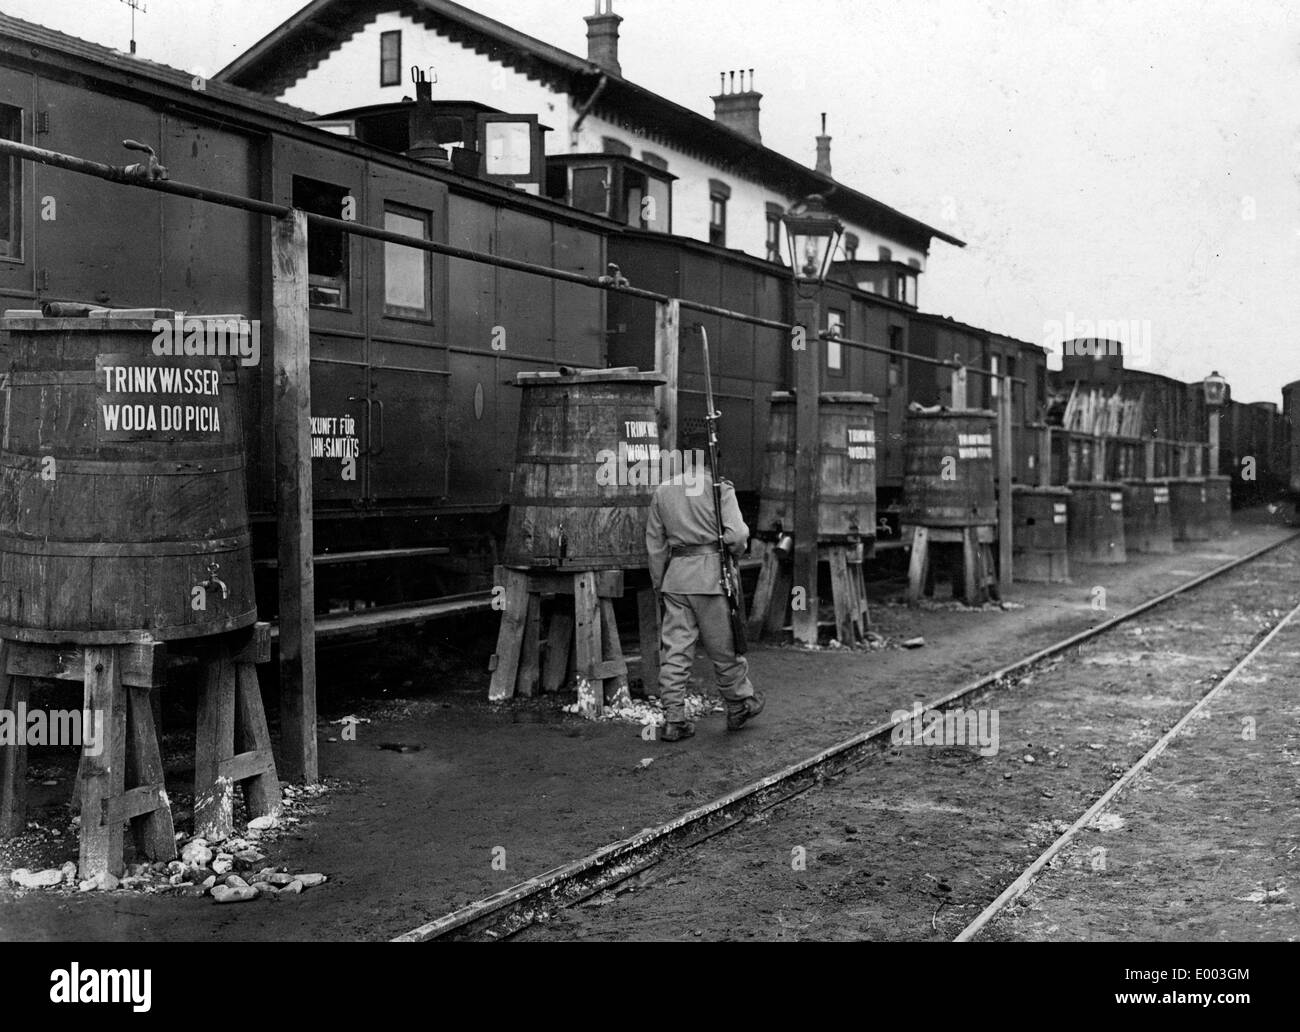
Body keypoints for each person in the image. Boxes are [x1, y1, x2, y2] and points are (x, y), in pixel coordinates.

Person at [645, 442, 763, 741]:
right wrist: (732, 556)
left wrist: (661, 583)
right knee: (725, 648)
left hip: (676, 579)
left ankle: (674, 719)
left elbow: (655, 546)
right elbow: (737, 535)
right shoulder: (719, 488)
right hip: (712, 579)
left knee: (675, 651)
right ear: (712, 460)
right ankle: (739, 703)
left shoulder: (663, 491)